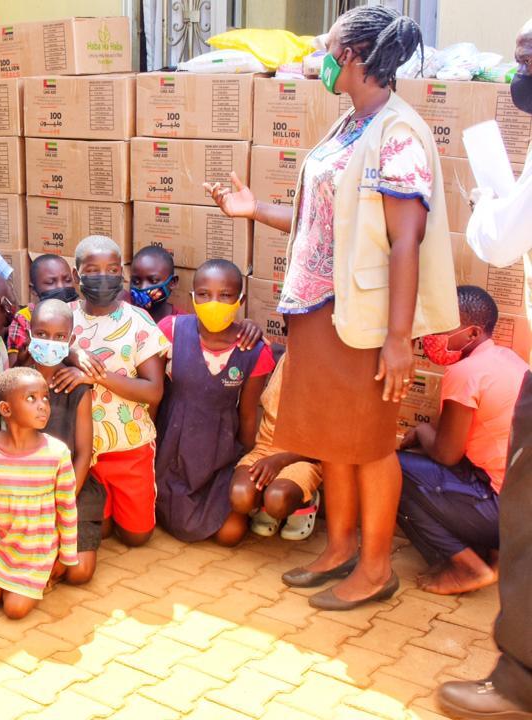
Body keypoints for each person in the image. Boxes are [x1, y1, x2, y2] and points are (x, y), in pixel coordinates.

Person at [206, 6, 458, 610]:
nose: (317, 54)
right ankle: (340, 549)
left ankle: (375, 569)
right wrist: (254, 210)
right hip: (319, 308)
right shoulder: (352, 121)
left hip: (363, 319)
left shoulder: (398, 133)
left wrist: (397, 338)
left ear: (353, 57)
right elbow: (322, 220)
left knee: (369, 443)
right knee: (333, 439)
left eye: (327, 45)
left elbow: (406, 240)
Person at [438, 21, 532, 718]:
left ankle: (518, 681)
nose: (518, 72)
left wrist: (482, 203)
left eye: (528, 60)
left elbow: (501, 241)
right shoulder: (502, 358)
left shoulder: (467, 373)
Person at [397, 287, 526, 595]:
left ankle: (468, 567)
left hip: (502, 510)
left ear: (473, 333)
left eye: (442, 329)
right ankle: (495, 558)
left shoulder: (466, 373)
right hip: (520, 508)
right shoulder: (509, 359)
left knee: (392, 469)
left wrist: (421, 432)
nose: (432, 337)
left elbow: (447, 454)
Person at [50, 235, 169, 548]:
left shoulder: (138, 321)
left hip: (129, 446)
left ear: (121, 273)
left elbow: (153, 391)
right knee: (99, 531)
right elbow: (41, 349)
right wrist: (73, 353)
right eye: (92, 270)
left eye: (112, 270)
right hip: (80, 451)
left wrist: (96, 376)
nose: (103, 277)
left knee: (136, 537)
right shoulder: (63, 317)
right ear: (76, 275)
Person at [154, 260, 275, 545]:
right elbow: (153, 394)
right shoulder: (171, 331)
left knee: (230, 534)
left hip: (219, 456)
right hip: (172, 450)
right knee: (160, 516)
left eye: (225, 295)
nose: (214, 303)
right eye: (204, 294)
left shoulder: (254, 351)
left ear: (240, 301)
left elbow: (247, 415)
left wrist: (243, 463)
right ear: (193, 297)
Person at [0, 367, 78, 619]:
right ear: (6, 409)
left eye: (45, 398)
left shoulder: (57, 453)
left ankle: (38, 580)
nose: (42, 406)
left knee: (14, 610)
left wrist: (66, 556)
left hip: (36, 550)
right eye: (31, 398)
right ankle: (8, 581)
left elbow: (67, 508)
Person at [23, 299, 104, 585]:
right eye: (41, 334)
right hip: (24, 487)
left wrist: (62, 503)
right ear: (30, 332)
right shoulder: (17, 381)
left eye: (59, 337)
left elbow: (83, 454)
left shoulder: (77, 389)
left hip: (71, 486)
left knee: (80, 572)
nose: (49, 342)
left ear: (70, 341)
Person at [228, 352, 323, 541]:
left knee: (277, 499)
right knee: (241, 496)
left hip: (305, 455)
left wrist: (280, 461)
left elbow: (327, 444)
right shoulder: (287, 357)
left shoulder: (331, 366)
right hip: (266, 446)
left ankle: (305, 500)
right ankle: (266, 501)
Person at [7, 253, 79, 368]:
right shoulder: (23, 319)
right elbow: (14, 368)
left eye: (67, 280)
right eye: (51, 282)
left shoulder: (78, 312)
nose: (61, 287)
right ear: (33, 289)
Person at [129, 245, 180, 324]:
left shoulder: (182, 325)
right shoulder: (122, 318)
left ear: (172, 282)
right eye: (136, 281)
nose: (143, 287)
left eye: (153, 281)